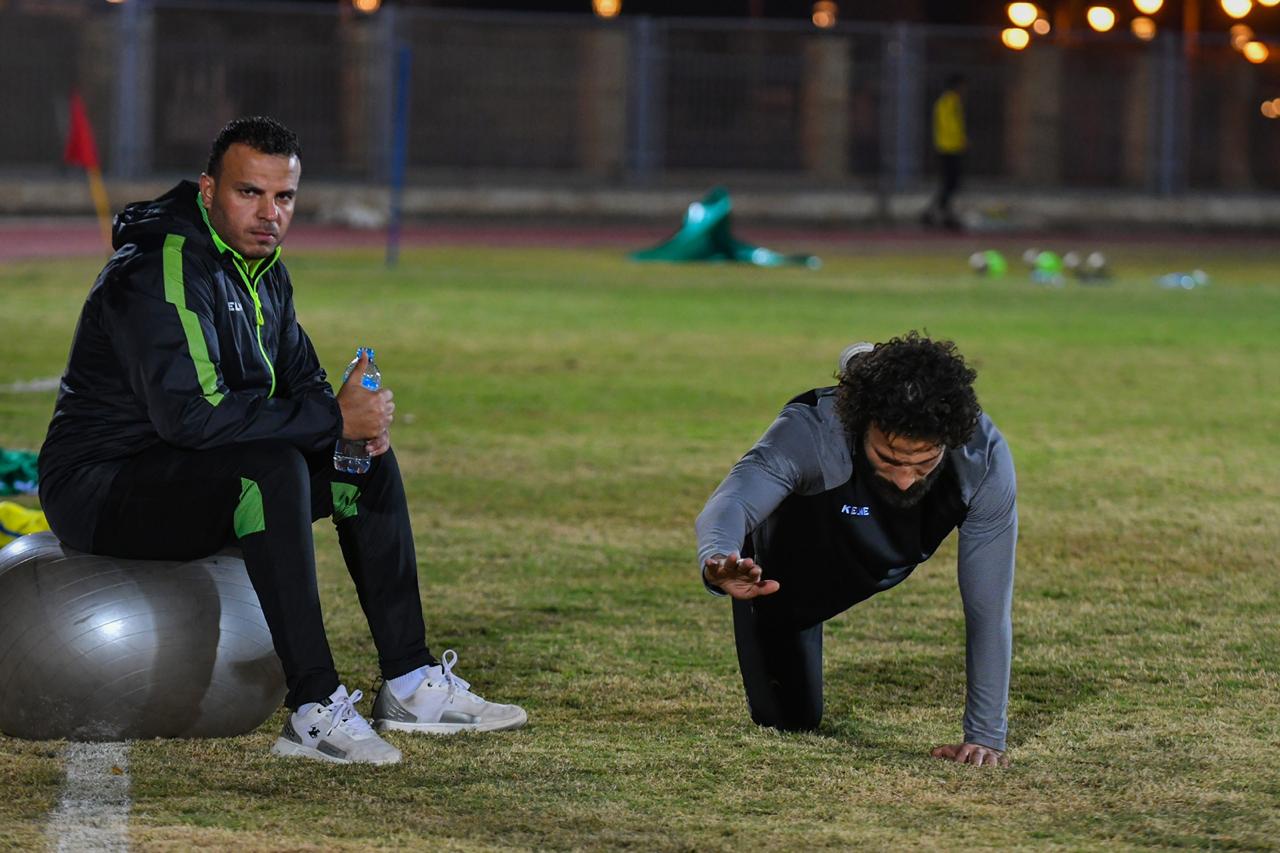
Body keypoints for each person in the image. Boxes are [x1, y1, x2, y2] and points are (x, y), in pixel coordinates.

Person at [37, 116, 526, 766]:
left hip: (191, 471)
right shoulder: (161, 266)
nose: (270, 213)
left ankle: (410, 682)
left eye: (284, 196)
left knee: (362, 465)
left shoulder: (265, 271)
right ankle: (314, 707)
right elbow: (192, 417)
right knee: (270, 470)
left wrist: (355, 421)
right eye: (250, 193)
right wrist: (333, 418)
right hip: (102, 486)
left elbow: (303, 385)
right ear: (209, 190)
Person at [696, 333, 1015, 768]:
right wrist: (718, 557)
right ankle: (865, 369)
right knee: (789, 720)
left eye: (923, 462)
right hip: (786, 580)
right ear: (861, 425)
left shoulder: (982, 457)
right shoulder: (812, 430)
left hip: (883, 557)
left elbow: (988, 608)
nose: (905, 479)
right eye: (889, 458)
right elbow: (733, 500)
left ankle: (867, 366)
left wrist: (985, 736)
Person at [922, 73, 967, 230]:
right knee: (950, 183)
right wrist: (960, 140)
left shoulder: (949, 102)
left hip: (949, 147)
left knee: (949, 183)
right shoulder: (948, 102)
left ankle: (938, 212)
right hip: (948, 148)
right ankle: (937, 212)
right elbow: (949, 125)